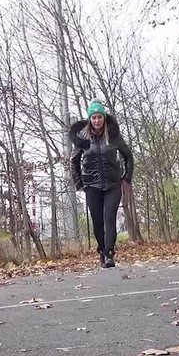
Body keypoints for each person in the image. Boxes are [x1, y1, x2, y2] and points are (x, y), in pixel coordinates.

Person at [70, 101, 134, 268]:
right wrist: (79, 183)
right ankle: (102, 250)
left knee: (109, 218)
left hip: (113, 184)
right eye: (94, 117)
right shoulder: (83, 137)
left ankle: (109, 254)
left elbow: (128, 156)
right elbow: (73, 161)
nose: (97, 121)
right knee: (97, 221)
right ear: (90, 119)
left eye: (99, 117)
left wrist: (127, 177)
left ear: (104, 119)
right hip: (91, 185)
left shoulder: (113, 136)